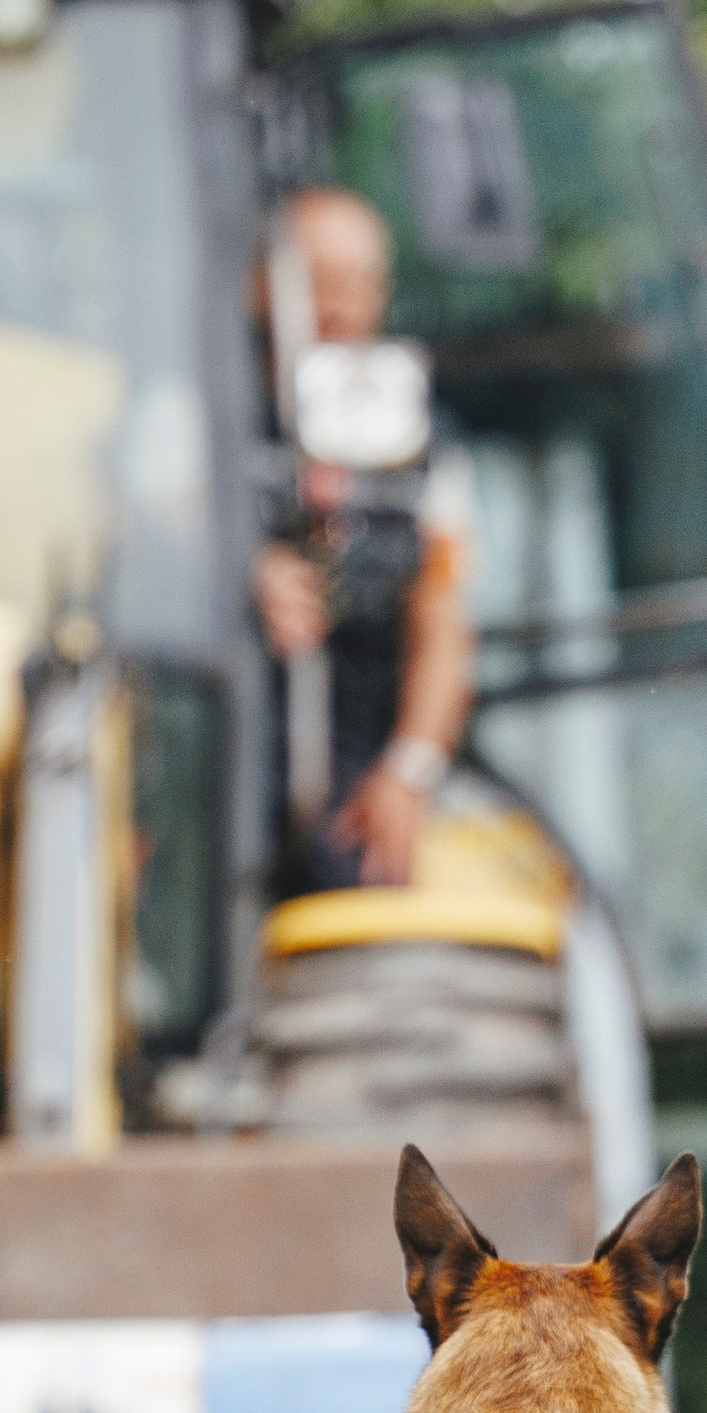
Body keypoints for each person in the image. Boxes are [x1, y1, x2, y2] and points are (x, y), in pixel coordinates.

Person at [253, 186, 474, 890]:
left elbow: (442, 621)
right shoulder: (201, 415)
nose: (338, 305)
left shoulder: (426, 444)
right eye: (317, 281)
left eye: (359, 284)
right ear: (262, 285)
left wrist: (408, 773)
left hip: (352, 777)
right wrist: (240, 573)